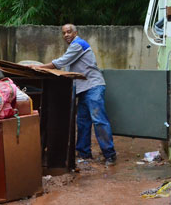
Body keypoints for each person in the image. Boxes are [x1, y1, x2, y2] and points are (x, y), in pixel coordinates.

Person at [39, 24, 117, 165]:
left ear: (75, 33)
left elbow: (61, 62)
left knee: (98, 120)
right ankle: (84, 153)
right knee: (82, 122)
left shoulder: (78, 44)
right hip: (83, 89)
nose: (66, 35)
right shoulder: (73, 47)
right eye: (64, 33)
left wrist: (38, 67)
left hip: (93, 86)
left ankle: (110, 155)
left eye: (69, 32)